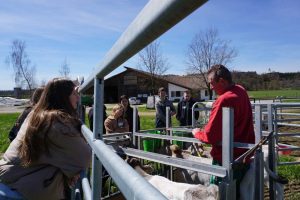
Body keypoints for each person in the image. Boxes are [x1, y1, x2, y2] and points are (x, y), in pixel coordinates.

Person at [0, 78, 91, 200]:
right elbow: (85, 158)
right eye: (74, 93)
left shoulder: (37, 114)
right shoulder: (55, 121)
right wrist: (68, 170)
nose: (78, 98)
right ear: (63, 96)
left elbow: (53, 152)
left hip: (10, 182)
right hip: (19, 191)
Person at [191, 64, 255, 199]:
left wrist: (197, 132)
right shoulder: (241, 90)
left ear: (222, 81)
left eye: (212, 83)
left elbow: (210, 135)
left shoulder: (224, 99)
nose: (211, 87)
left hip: (226, 160)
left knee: (221, 195)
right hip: (244, 156)